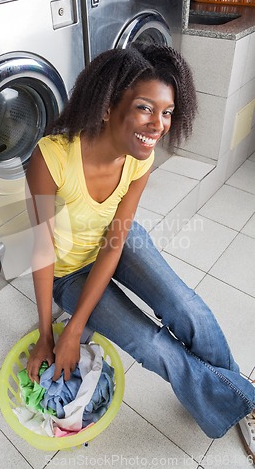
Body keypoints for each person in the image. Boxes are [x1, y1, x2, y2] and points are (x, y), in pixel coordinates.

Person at [25, 44, 255, 461]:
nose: (159, 124)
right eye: (146, 108)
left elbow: (116, 238)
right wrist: (50, 334)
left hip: (119, 243)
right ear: (108, 106)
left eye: (167, 112)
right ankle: (241, 398)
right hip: (68, 273)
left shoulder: (139, 157)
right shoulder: (51, 158)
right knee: (152, 346)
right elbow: (41, 252)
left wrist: (77, 329)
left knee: (189, 309)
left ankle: (241, 401)